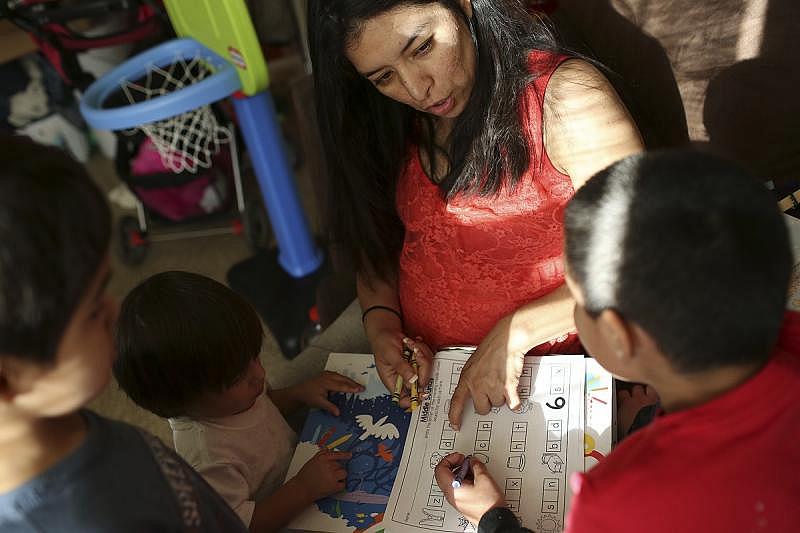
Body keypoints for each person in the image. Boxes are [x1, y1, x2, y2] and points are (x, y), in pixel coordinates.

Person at [308, 0, 643, 426]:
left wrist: (516, 332)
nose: (417, 89)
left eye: (423, 47)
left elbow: (640, 260)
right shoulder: (386, 118)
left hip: (545, 377)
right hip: (431, 379)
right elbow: (382, 246)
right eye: (384, 76)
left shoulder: (564, 98)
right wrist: (381, 322)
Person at [433, 150, 800, 532]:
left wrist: (492, 518)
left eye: (575, 299)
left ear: (618, 335)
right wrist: (645, 426)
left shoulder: (615, 502)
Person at [0, 135, 248, 532]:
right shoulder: (85, 519)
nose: (116, 309)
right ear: (7, 380)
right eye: (94, 309)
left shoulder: (57, 414)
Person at [113, 271, 364, 532]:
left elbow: (262, 408)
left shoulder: (235, 395)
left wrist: (298, 393)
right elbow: (243, 525)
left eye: (255, 357)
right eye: (238, 377)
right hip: (276, 510)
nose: (260, 374)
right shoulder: (208, 462)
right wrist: (303, 489)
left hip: (298, 466)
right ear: (184, 403)